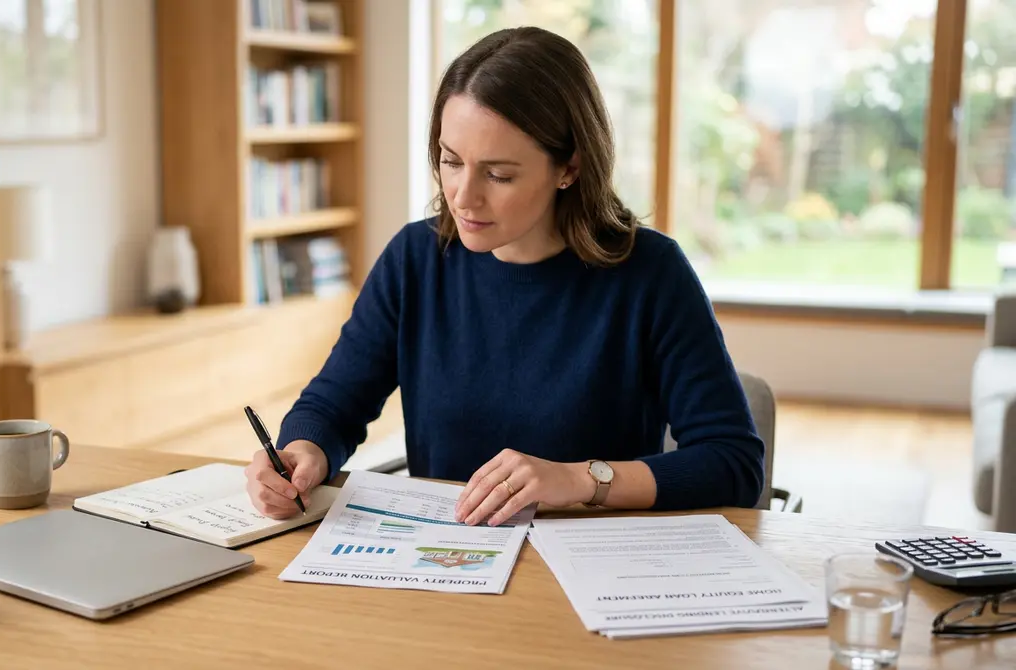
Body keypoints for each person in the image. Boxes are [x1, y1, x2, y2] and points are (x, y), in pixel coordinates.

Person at [244, 26, 765, 526]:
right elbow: (332, 406)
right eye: (451, 161)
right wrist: (301, 452)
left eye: (498, 174)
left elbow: (732, 463)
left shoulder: (650, 274)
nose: (464, 196)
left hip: (594, 570)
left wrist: (580, 480)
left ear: (570, 168)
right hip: (444, 562)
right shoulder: (416, 259)